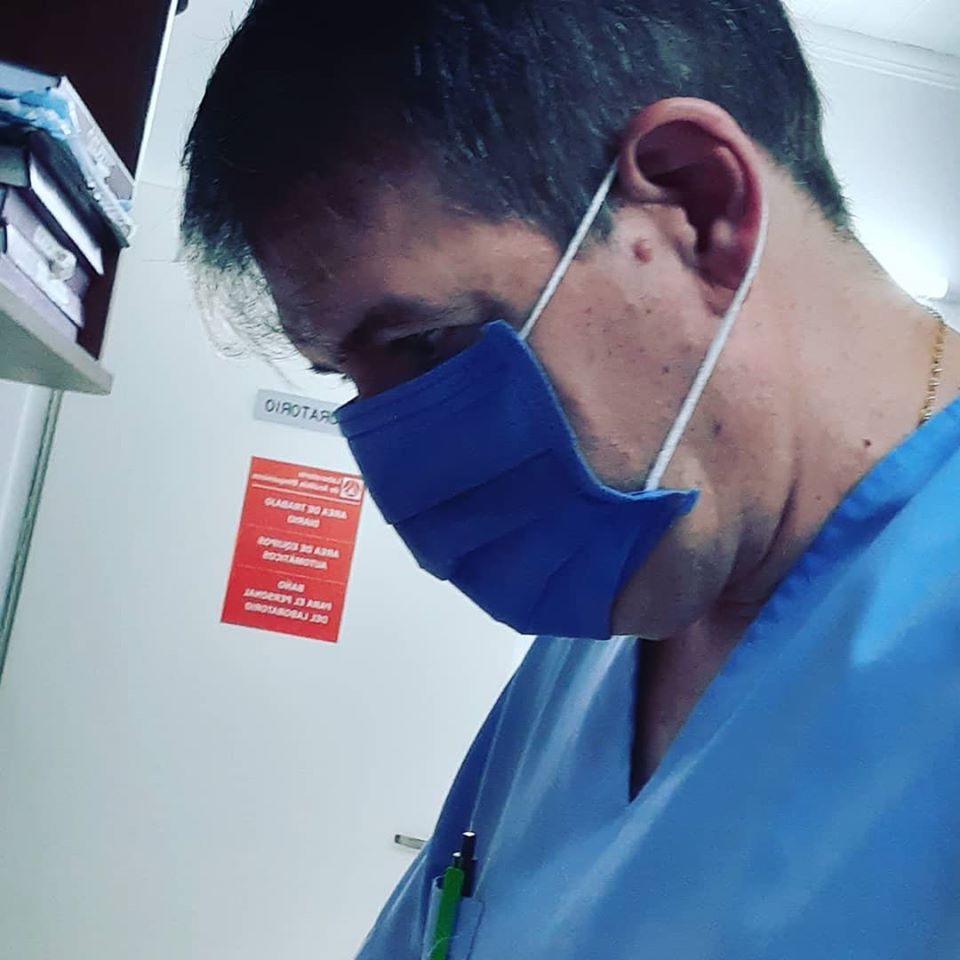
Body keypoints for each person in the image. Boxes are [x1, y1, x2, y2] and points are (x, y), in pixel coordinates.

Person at [181, 1, 960, 956]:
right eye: (349, 379)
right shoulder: (616, 618)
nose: (403, 490)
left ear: (698, 204)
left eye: (428, 343)